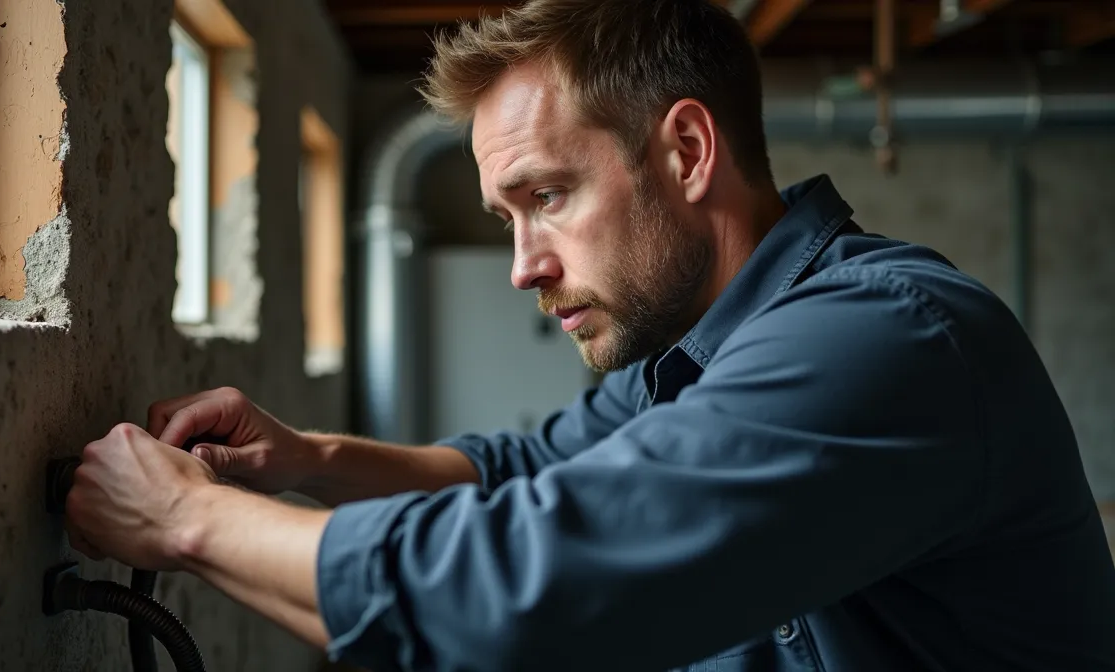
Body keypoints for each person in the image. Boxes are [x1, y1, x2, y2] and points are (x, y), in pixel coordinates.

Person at [63, 0, 1115, 670]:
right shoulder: (692, 349)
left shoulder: (884, 340)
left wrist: (186, 518)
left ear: (687, 152)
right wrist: (304, 458)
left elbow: (527, 590)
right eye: (507, 219)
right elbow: (520, 470)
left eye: (548, 196)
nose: (523, 265)